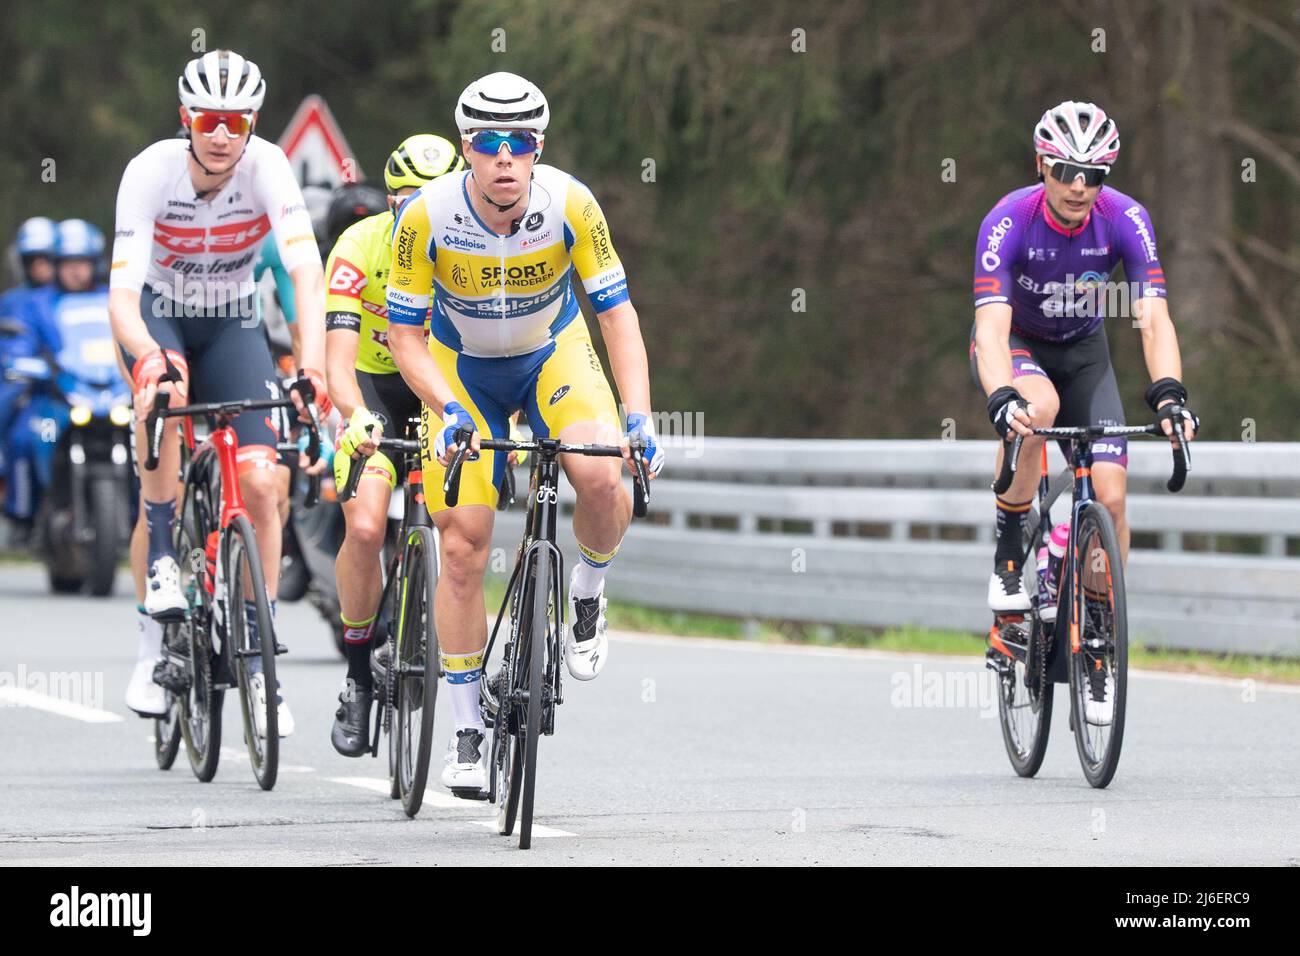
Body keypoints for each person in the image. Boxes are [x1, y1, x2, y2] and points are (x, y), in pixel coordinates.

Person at [386, 73, 665, 794]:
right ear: (465, 148)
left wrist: (638, 415)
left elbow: (616, 318)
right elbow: (405, 337)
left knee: (602, 469)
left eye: (520, 143)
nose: (505, 158)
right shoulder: (424, 215)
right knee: (463, 543)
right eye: (488, 143)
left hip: (552, 353)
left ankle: (588, 588)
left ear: (538, 148)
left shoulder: (571, 204)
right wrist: (445, 408)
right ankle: (468, 731)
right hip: (461, 371)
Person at [110, 49, 330, 732]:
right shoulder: (149, 172)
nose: (222, 133)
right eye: (209, 119)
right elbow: (119, 295)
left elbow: (305, 272)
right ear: (186, 118)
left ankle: (261, 666)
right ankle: (157, 612)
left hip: (232, 320)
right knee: (166, 406)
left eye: (237, 121)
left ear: (253, 123)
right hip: (158, 314)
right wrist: (148, 358)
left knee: (263, 480)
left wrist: (313, 369)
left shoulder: (268, 167)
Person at [971, 101, 1198, 722]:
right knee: (1037, 407)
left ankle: (1096, 642)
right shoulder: (1008, 220)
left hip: (1086, 355)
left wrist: (1170, 393)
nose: (1079, 186)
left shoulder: (1126, 219)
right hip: (1018, 346)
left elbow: (1152, 317)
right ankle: (1012, 549)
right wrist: (1001, 396)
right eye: (1067, 170)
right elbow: (990, 328)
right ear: (1042, 164)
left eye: (1094, 174)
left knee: (1113, 495)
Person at [323, 136, 464, 756]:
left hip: (439, 390)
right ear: (388, 200)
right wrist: (353, 416)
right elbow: (337, 360)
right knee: (364, 527)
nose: (418, 214)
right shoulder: (359, 245)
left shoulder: (469, 245)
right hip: (373, 391)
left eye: (433, 200)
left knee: (458, 522)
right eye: (407, 201)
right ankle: (357, 676)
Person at [0, 217, 59, 540]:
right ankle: (21, 513)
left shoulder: (75, 296)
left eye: (47, 259)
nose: (42, 267)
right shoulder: (15, 301)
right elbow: (12, 350)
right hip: (35, 390)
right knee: (23, 437)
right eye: (34, 260)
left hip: (72, 388)